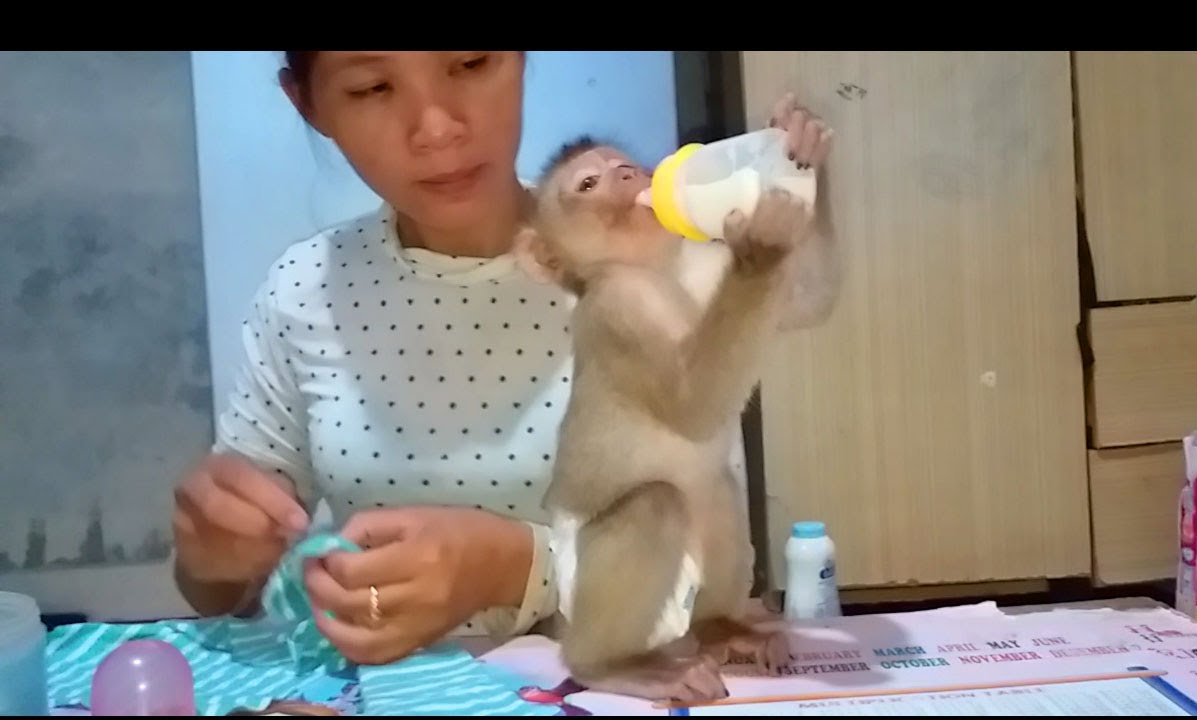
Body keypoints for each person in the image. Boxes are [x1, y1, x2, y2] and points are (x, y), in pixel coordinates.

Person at [171, 51, 839, 666]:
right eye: (373, 86)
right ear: (306, 103)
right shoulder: (303, 289)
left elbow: (698, 552)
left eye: (470, 61)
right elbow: (221, 591)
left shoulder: (646, 254)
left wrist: (512, 570)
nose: (436, 127)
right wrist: (216, 554)